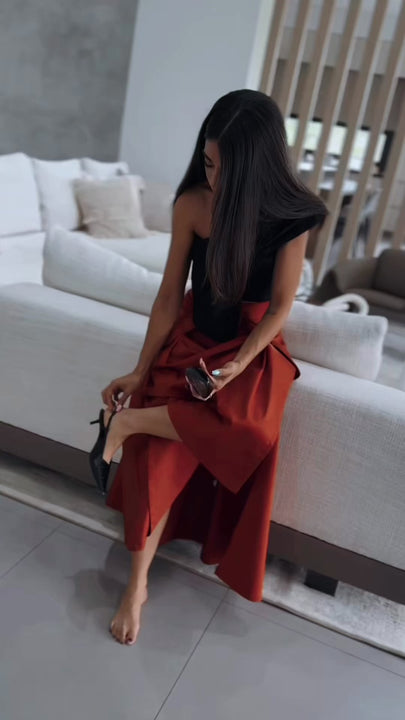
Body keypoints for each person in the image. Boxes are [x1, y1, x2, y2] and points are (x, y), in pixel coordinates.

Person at [88, 89, 328, 646]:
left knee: (249, 429)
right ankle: (136, 587)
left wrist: (241, 364)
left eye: (223, 168)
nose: (212, 177)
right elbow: (169, 296)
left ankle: (129, 423)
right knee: (153, 457)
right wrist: (140, 370)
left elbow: (282, 307)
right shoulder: (194, 205)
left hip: (250, 344)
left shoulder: (294, 216)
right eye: (207, 162)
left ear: (255, 165)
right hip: (194, 336)